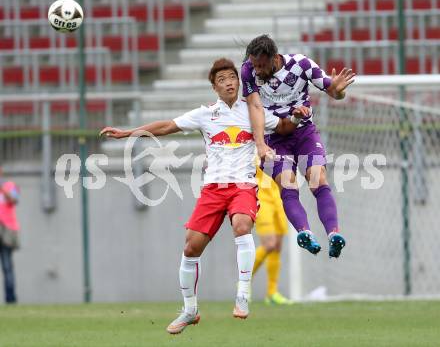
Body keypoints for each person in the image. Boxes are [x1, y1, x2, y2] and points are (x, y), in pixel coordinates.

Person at [100, 58, 308, 334]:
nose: (229, 82)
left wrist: (295, 117)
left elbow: (282, 127)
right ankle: (189, 310)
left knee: (242, 225)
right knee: (190, 248)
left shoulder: (252, 111)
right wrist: (129, 133)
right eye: (222, 79)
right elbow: (167, 126)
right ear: (215, 87)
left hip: (243, 185)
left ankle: (243, 295)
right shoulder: (205, 114)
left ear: (239, 80)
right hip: (212, 189)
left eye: (232, 76)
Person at [242, 34, 356, 258]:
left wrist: (339, 90)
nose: (258, 70)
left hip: (304, 133)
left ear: (275, 58)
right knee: (288, 185)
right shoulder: (248, 70)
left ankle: (333, 233)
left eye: (262, 65)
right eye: (255, 65)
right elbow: (254, 106)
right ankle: (305, 233)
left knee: (318, 179)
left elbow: (333, 91)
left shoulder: (301, 65)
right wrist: (260, 144)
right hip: (274, 137)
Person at [253, 167, 292, 305]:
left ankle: (272, 293)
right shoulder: (250, 147)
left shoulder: (278, 146)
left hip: (279, 198)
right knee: (269, 244)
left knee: (276, 246)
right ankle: (243, 281)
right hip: (261, 199)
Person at [0, 166, 20, 304]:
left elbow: (14, 200)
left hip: (6, 229)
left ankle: (10, 299)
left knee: (7, 266)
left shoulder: (10, 185)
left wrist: (1, 187)